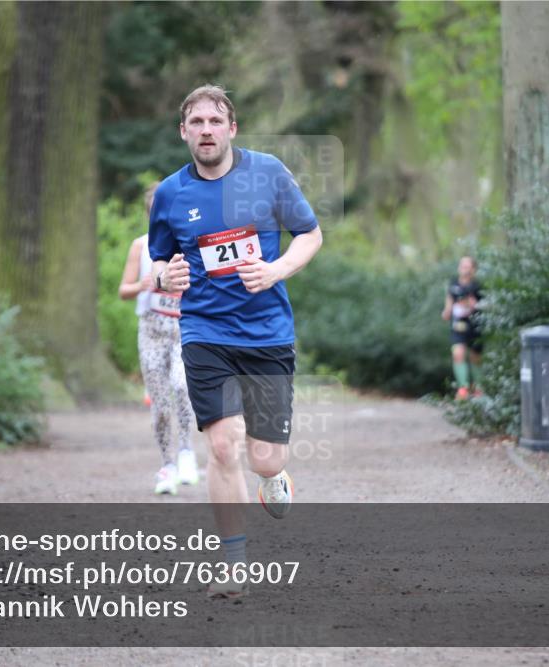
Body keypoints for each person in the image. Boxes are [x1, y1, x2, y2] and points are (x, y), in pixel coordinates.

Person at [148, 84, 322, 597]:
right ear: (184, 132)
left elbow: (310, 234)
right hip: (205, 330)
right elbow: (159, 259)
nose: (206, 130)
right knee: (222, 447)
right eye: (196, 123)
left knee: (266, 458)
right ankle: (234, 568)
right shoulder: (170, 194)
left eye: (214, 121)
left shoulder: (267, 173)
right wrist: (165, 277)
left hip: (267, 332)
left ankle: (274, 476)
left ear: (232, 128)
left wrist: (275, 271)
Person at [119, 182, 199, 495]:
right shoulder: (141, 246)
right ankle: (167, 465)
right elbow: (123, 290)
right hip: (151, 331)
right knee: (161, 405)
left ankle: (187, 451)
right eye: (155, 211)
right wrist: (145, 284)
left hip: (183, 330)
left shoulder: (189, 243)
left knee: (182, 386)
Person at [442, 256, 483, 400]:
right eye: (462, 266)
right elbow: (449, 302)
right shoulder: (453, 284)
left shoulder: (478, 286)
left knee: (475, 358)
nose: (464, 269)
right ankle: (463, 388)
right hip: (457, 326)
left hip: (475, 326)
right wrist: (446, 311)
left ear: (473, 270)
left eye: (467, 267)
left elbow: (486, 305)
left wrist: (474, 305)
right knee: (458, 353)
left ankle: (478, 389)